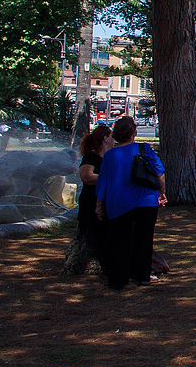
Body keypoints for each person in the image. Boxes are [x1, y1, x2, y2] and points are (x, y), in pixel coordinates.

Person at [95, 115, 167, 289]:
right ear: (133, 132)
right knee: (144, 240)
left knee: (119, 242)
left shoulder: (110, 155)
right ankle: (143, 276)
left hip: (119, 202)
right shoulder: (144, 148)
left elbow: (102, 182)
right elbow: (159, 173)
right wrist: (161, 192)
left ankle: (118, 279)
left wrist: (99, 205)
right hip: (146, 201)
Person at [65, 123, 113, 274]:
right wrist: (109, 178)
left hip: (104, 200)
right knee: (89, 233)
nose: (114, 140)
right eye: (112, 137)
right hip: (90, 200)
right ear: (105, 139)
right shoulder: (91, 156)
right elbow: (86, 176)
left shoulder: (107, 157)